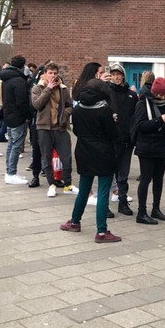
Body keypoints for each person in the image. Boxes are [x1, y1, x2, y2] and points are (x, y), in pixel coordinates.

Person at [60, 79, 121, 243]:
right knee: (103, 192)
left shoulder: (78, 108)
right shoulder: (104, 110)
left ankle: (74, 222)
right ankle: (101, 231)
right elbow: (113, 134)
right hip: (103, 153)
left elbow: (77, 131)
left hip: (84, 151)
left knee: (84, 189)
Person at [131, 77, 165, 224]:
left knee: (159, 179)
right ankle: (141, 213)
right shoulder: (143, 104)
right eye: (161, 94)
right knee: (145, 179)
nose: (163, 97)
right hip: (146, 148)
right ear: (155, 93)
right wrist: (159, 120)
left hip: (161, 147)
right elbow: (140, 126)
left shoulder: (164, 104)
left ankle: (156, 209)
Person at [31, 62, 76, 197]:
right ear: (44, 74)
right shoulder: (37, 88)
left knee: (66, 157)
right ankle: (51, 184)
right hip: (44, 127)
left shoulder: (63, 89)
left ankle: (68, 184)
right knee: (46, 156)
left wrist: (65, 114)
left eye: (55, 73)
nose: (53, 76)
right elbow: (37, 105)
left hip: (60, 127)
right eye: (50, 73)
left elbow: (70, 105)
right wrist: (48, 89)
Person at [109, 63, 138, 216]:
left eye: (118, 74)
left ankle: (122, 202)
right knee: (108, 173)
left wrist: (134, 137)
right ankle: (105, 204)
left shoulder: (132, 96)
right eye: (113, 74)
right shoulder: (106, 93)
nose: (116, 77)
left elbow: (135, 117)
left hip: (127, 140)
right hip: (111, 140)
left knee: (123, 174)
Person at [0, 55, 32, 186]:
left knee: (11, 144)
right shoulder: (18, 80)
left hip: (8, 114)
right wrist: (28, 115)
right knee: (16, 145)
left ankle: (9, 171)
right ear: (22, 66)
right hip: (17, 116)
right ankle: (11, 173)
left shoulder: (6, 78)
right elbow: (22, 102)